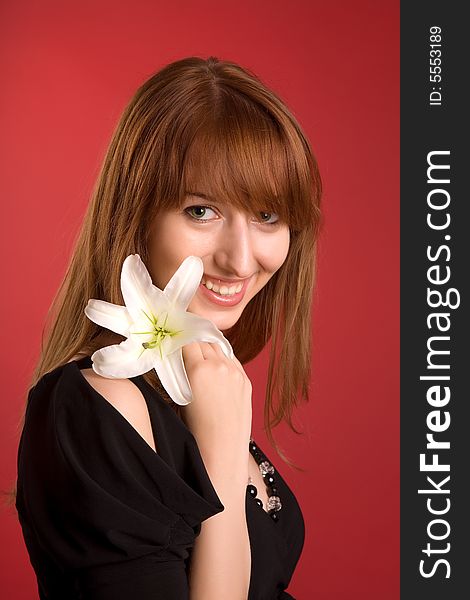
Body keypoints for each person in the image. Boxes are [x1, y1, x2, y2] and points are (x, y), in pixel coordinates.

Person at [16, 56, 322, 599]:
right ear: (136, 217)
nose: (241, 259)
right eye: (202, 211)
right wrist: (223, 463)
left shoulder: (202, 387)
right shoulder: (100, 404)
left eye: (268, 215)